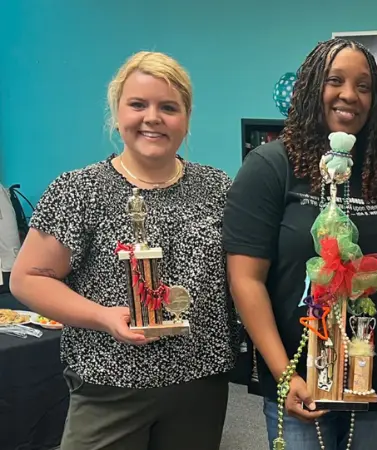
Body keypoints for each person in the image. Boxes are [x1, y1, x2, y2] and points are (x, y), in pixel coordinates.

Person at [10, 51, 237, 450]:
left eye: (169, 107)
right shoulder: (78, 190)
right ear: (117, 114)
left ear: (186, 119)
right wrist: (102, 317)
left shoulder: (219, 188)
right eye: (138, 104)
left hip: (200, 384)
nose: (153, 117)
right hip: (108, 384)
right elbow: (28, 279)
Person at [223, 38, 377, 450]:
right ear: (313, 88)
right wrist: (283, 375)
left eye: (364, 86)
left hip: (373, 374)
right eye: (335, 80)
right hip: (299, 377)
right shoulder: (270, 167)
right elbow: (245, 280)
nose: (350, 95)